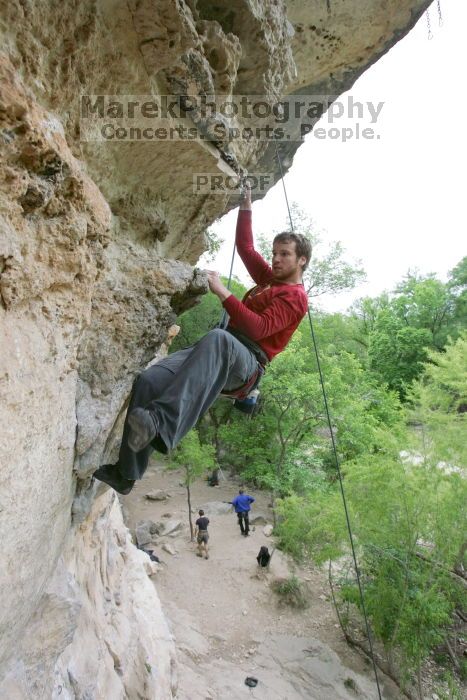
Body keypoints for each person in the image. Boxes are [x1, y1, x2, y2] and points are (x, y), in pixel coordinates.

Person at [93, 184, 311, 494]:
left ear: (301, 260)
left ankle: (162, 422)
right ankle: (125, 474)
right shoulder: (269, 281)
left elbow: (259, 329)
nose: (276, 259)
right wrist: (246, 207)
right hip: (219, 348)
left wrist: (222, 292)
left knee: (219, 339)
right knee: (149, 381)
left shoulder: (295, 297)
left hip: (246, 363)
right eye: (275, 252)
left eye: (284, 254)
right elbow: (247, 249)